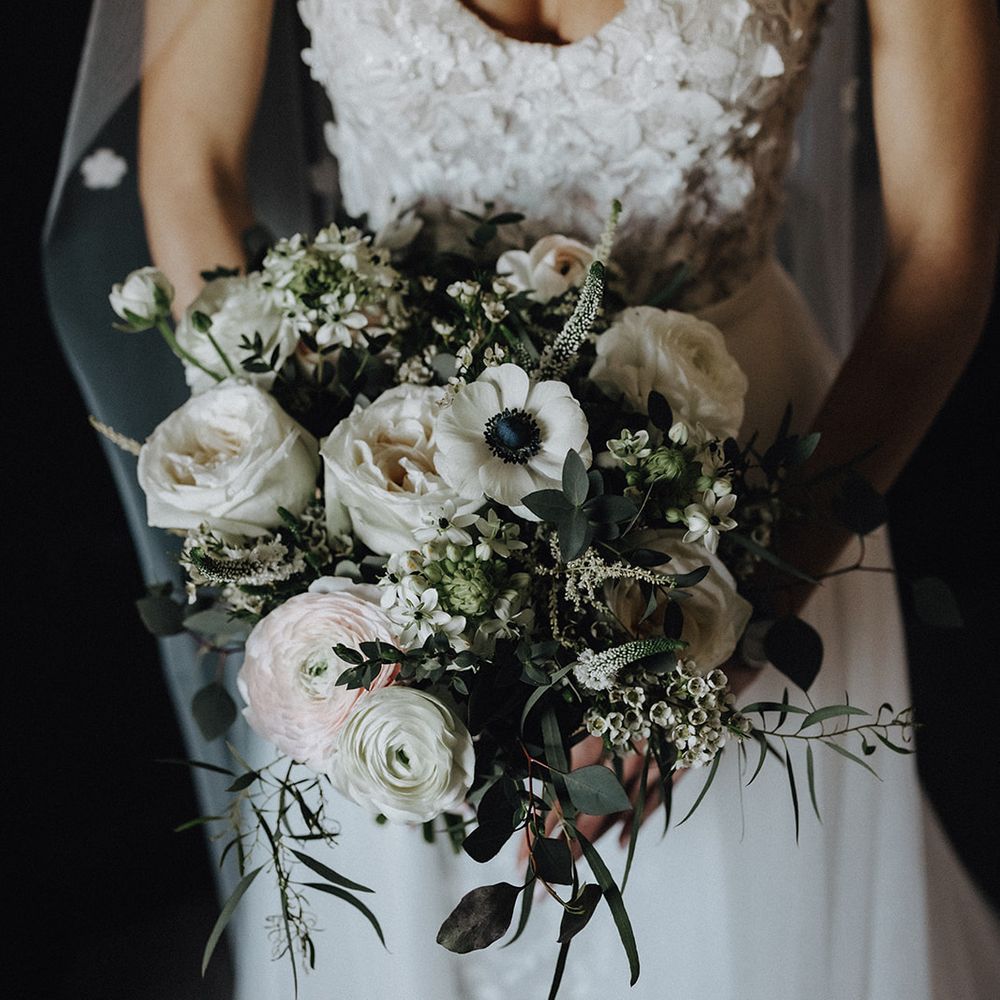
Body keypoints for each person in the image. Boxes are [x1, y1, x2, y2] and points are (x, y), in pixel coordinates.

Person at [45, 1, 999, 997]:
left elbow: (942, 248)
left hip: (751, 496)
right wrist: (314, 515)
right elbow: (189, 166)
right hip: (391, 488)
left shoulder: (756, 572)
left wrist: (729, 634)